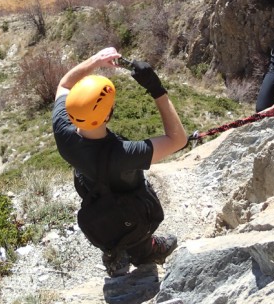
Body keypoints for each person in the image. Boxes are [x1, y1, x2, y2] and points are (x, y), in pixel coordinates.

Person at [52, 47, 187, 277]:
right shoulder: (124, 154)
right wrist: (157, 90)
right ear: (107, 115)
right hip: (130, 205)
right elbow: (178, 139)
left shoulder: (63, 133)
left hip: (95, 196)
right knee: (134, 224)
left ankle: (114, 254)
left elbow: (64, 85)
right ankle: (146, 250)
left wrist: (95, 61)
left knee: (108, 217)